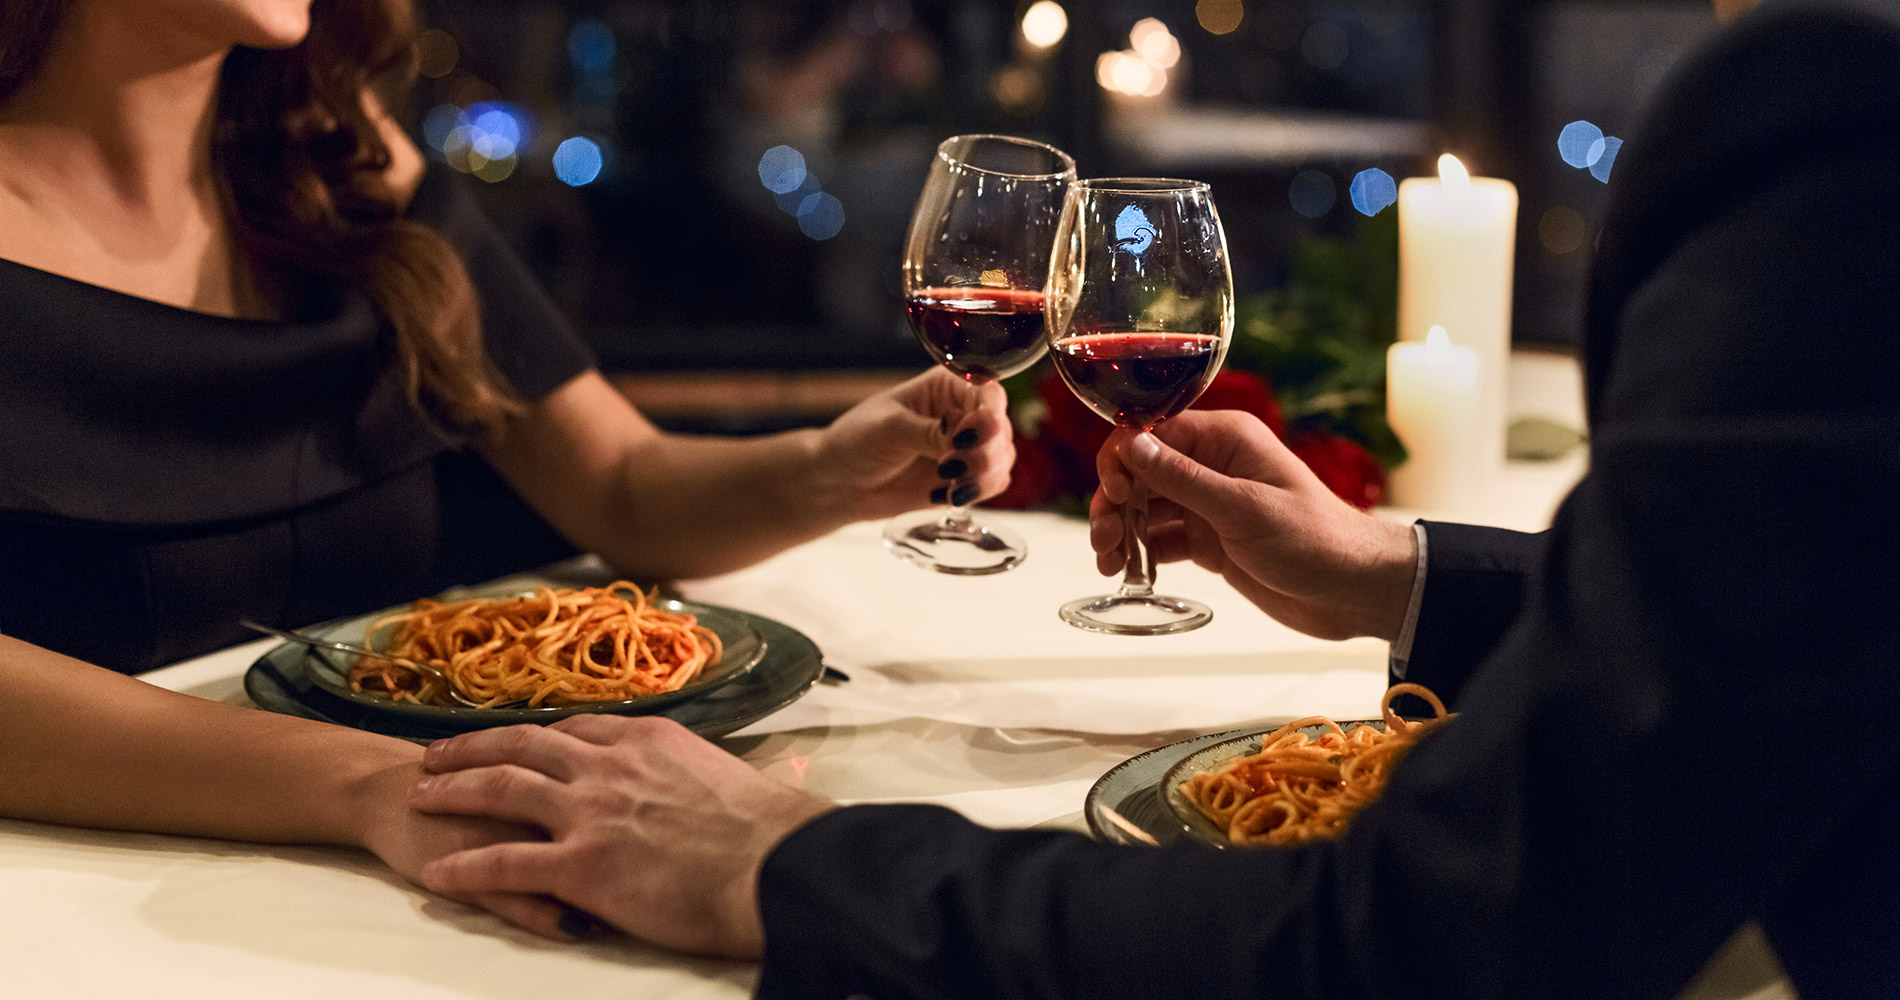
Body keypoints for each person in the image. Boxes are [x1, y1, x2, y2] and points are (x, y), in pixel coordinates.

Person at [405, 0, 1900, 993]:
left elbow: (1429, 943)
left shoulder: (1837, 113)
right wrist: (1402, 579)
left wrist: (787, 865)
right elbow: (1829, 636)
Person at [0, 0, 1010, 937]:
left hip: (398, 898)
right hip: (93, 917)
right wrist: (367, 786)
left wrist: (832, 470)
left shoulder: (345, 162)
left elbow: (617, 485)